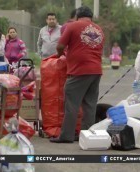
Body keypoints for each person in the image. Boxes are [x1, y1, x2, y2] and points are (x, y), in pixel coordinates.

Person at [50, 6, 105, 143]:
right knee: (90, 105)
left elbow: (60, 46)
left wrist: (60, 55)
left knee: (71, 104)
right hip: (96, 70)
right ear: (91, 17)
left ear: (77, 16)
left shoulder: (73, 26)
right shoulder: (99, 29)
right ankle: (87, 136)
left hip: (79, 70)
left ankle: (66, 136)